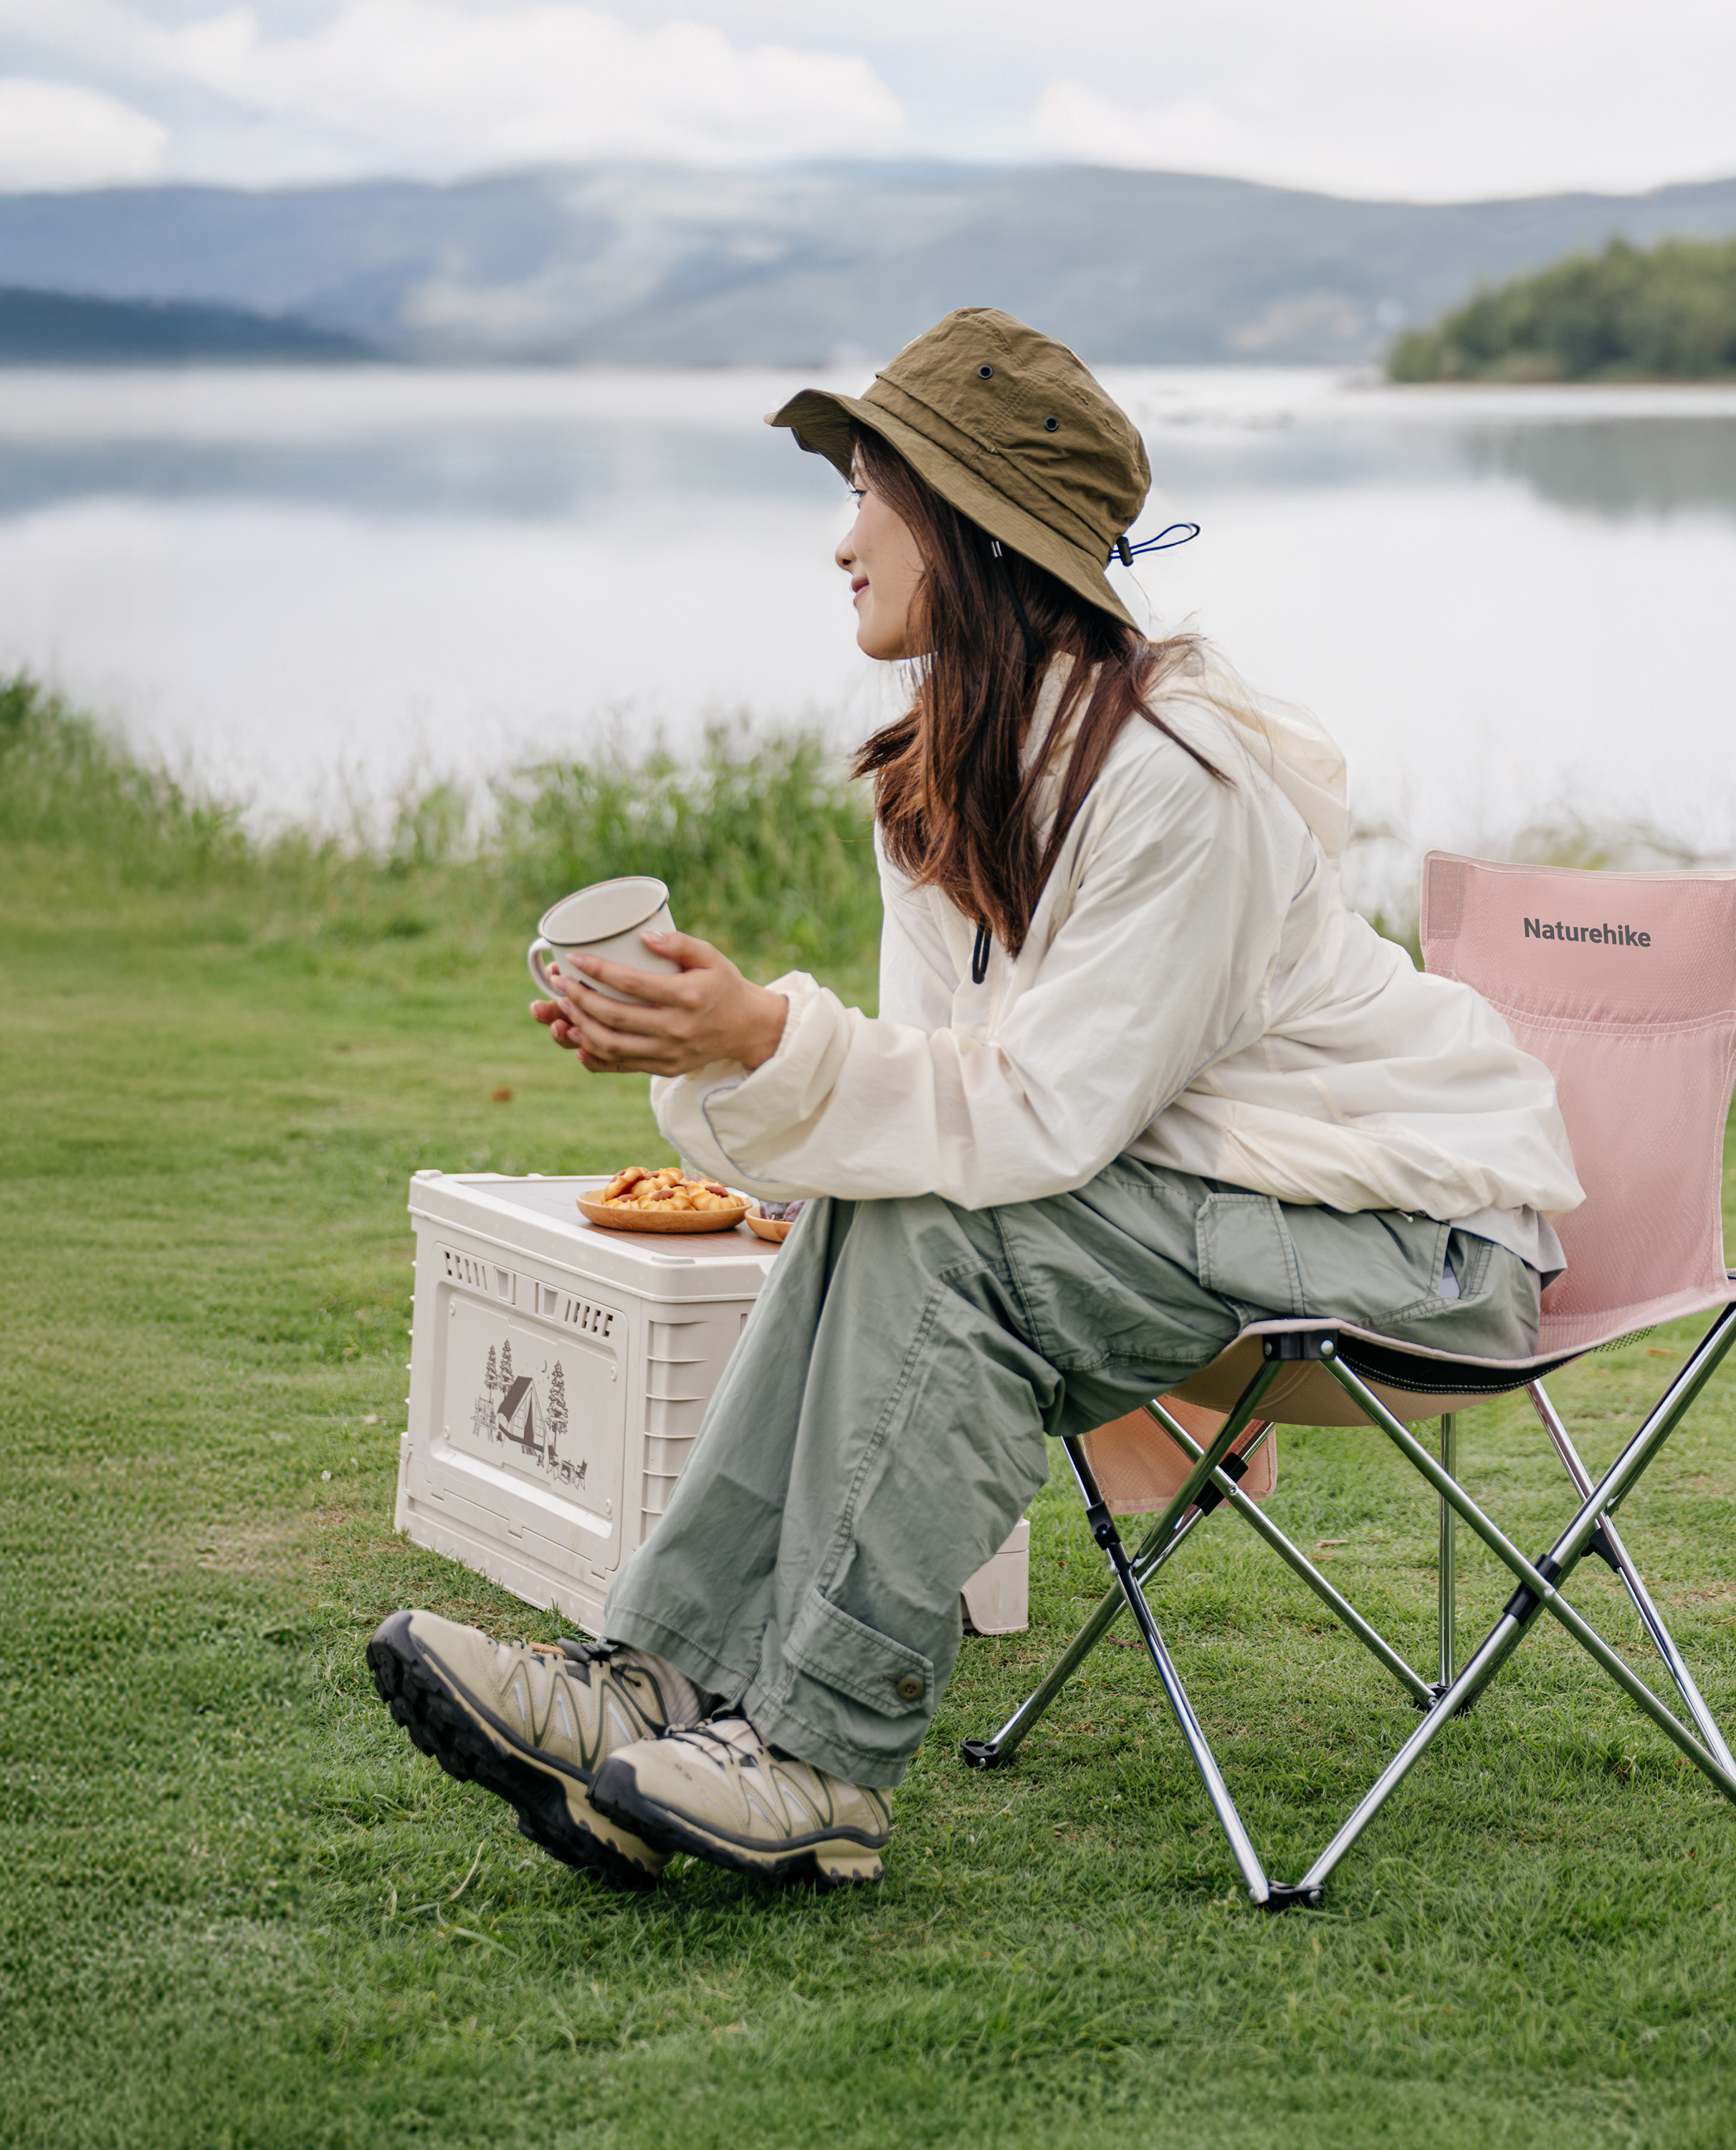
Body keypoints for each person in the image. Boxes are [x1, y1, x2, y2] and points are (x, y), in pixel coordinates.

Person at [367, 307, 1582, 1893]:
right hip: (1212, 1217)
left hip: (1418, 1239)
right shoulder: (946, 777)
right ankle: (657, 1678)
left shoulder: (1181, 784)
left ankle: (815, 1753)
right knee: (905, 1204)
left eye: (872, 493)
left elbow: (1034, 1123)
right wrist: (716, 1056)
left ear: (976, 525)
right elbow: (933, 1098)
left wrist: (768, 1036)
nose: (842, 541)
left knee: (957, 1233)